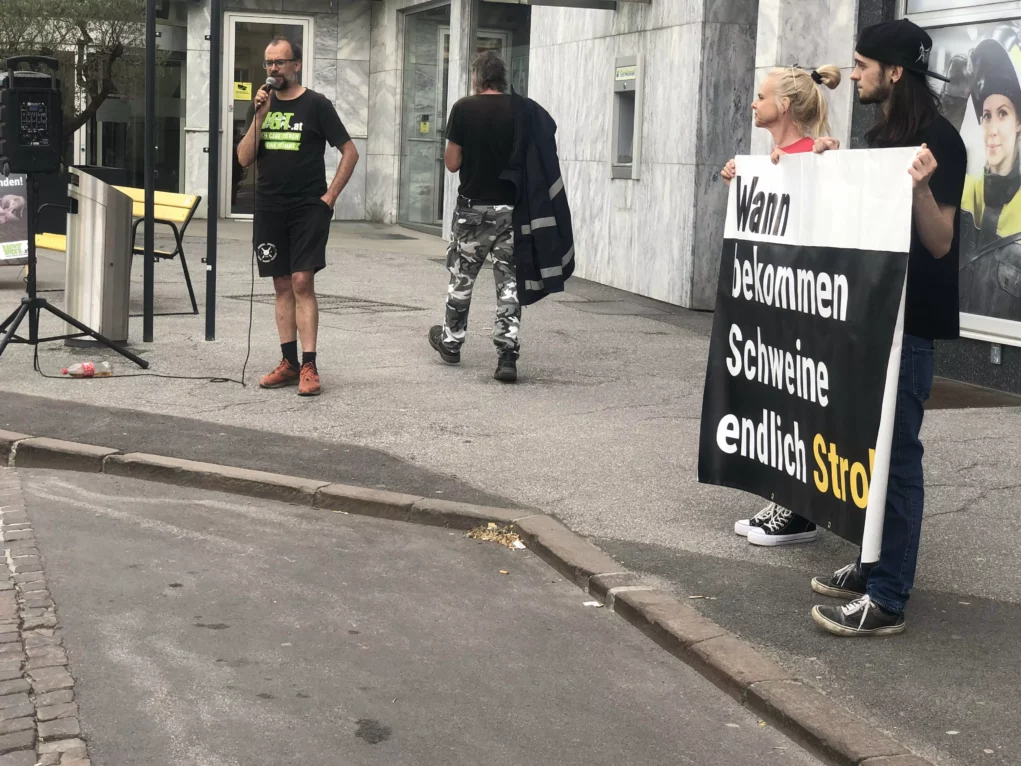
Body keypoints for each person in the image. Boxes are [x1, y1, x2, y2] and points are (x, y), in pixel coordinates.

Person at [810, 19, 967, 637]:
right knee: (871, 452)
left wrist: (921, 189)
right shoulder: (882, 135)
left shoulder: (941, 142)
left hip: (911, 327)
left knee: (898, 458)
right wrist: (817, 164)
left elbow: (939, 240)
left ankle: (889, 596)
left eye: (860, 65)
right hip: (872, 318)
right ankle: (872, 559)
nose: (852, 76)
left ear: (893, 72)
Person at [720, 63, 842, 546]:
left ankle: (799, 509)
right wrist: (741, 185)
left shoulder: (815, 156)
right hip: (776, 300)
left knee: (797, 406)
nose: (753, 102)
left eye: (761, 95)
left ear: (784, 105)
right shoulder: (773, 159)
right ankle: (783, 499)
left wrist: (826, 160)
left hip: (806, 304)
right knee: (778, 404)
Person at [237, 36, 359, 397]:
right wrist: (258, 114)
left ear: (296, 65)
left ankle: (309, 364)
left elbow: (349, 152)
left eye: (280, 62)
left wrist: (329, 197)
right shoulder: (260, 104)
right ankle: (288, 362)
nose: (273, 69)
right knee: (281, 284)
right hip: (270, 207)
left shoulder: (316, 105)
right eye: (268, 63)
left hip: (308, 208)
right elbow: (244, 158)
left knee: (303, 281)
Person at [959, 38, 1021, 320]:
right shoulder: (967, 192)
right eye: (986, 116)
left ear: (1018, 123)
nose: (992, 129)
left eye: (1003, 114)